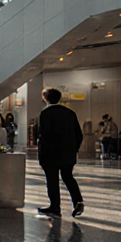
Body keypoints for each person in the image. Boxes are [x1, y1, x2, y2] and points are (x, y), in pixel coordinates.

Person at [37, 88, 84, 218]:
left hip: (50, 154)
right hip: (68, 154)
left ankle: (55, 206)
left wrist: (41, 154)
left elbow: (43, 136)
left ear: (45, 98)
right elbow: (79, 135)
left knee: (52, 179)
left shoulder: (45, 114)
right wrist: (73, 150)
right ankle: (78, 201)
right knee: (68, 176)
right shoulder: (70, 113)